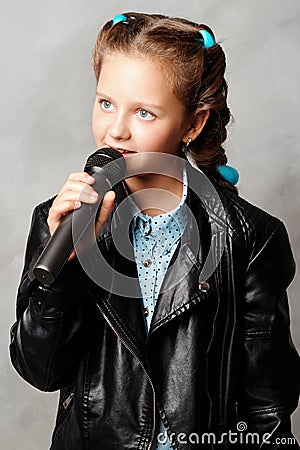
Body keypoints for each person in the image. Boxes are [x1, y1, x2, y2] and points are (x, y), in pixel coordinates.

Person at [9, 12, 300, 450]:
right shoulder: (57, 219)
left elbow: (267, 403)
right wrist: (64, 268)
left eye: (144, 112)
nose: (116, 129)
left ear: (193, 123)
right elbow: (41, 371)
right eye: (106, 103)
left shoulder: (248, 238)